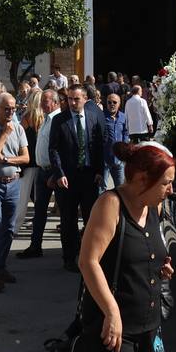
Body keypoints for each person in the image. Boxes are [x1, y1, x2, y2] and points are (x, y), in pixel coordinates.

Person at [77, 142, 176, 352]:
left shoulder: (153, 205)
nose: (170, 190)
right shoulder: (111, 204)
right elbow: (88, 260)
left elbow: (144, 252)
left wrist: (161, 268)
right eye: (166, 183)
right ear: (142, 179)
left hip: (147, 326)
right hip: (117, 332)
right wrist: (111, 311)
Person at [49, 84, 108, 271]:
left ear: (84, 99)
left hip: (89, 177)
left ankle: (90, 255)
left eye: (76, 99)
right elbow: (54, 148)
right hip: (67, 178)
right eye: (69, 99)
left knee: (91, 218)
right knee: (68, 219)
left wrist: (100, 170)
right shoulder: (59, 120)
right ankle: (69, 257)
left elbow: (99, 144)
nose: (72, 103)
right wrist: (59, 173)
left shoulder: (93, 117)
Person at [0, 93, 29, 293]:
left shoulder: (19, 128)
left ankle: (1, 266)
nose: (11, 112)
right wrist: (4, 134)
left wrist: (7, 160)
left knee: (9, 228)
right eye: (7, 109)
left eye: (13, 108)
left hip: (13, 183)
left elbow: (26, 157)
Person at [16, 88, 59, 261]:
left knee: (65, 210)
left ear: (54, 102)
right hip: (42, 170)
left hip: (52, 171)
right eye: (41, 100)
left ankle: (69, 253)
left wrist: (56, 173)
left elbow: (59, 149)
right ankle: (35, 245)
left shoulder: (57, 120)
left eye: (45, 100)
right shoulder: (46, 119)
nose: (42, 103)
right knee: (39, 211)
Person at [101, 91, 129, 190]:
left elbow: (125, 132)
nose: (112, 104)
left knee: (121, 188)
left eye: (114, 102)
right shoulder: (101, 116)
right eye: (109, 102)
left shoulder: (123, 116)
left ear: (119, 104)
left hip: (118, 159)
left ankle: (118, 205)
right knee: (101, 188)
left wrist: (124, 146)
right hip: (104, 159)